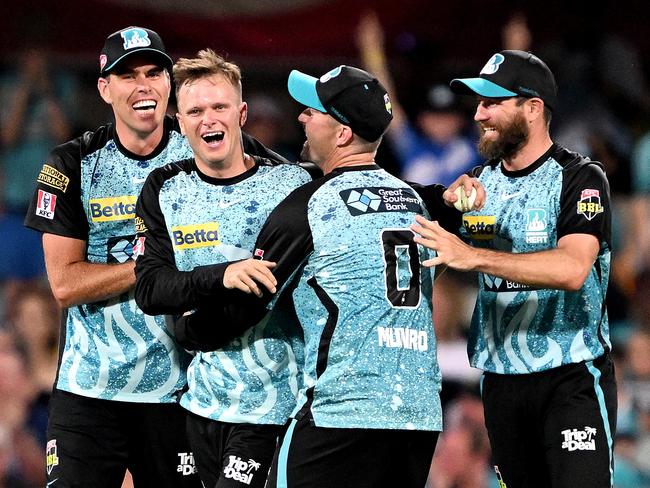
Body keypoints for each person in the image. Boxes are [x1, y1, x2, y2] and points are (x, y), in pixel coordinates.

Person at [175, 65, 472, 488]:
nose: (300, 117)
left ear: (343, 134)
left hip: (340, 414)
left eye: (313, 110)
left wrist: (188, 328)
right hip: (418, 419)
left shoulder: (310, 206)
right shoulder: (415, 201)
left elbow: (245, 306)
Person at [23, 26, 279, 488]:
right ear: (105, 89)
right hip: (89, 391)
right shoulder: (72, 165)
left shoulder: (204, 141)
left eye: (154, 72)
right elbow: (64, 285)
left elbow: (296, 186)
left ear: (169, 85)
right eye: (128, 76)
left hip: (180, 390)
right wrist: (161, 272)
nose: (144, 86)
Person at [411, 50, 617, 487]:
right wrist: (446, 210)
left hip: (570, 376)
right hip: (501, 384)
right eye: (479, 103)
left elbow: (574, 268)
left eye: (492, 102)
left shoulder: (580, 179)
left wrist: (475, 256)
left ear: (533, 108)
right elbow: (425, 269)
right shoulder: (476, 185)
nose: (479, 114)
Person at [133, 48, 311, 488]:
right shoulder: (164, 188)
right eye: (195, 110)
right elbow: (151, 289)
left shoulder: (291, 185)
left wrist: (440, 195)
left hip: (273, 404)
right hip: (199, 403)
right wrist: (223, 274)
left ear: (242, 114)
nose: (208, 119)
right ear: (179, 119)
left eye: (219, 107)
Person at [356, 11, 481, 186]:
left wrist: (516, 47)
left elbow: (503, 100)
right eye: (435, 116)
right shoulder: (410, 144)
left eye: (448, 116)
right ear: (423, 119)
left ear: (460, 119)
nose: (442, 123)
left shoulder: (474, 145)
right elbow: (385, 99)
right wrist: (371, 51)